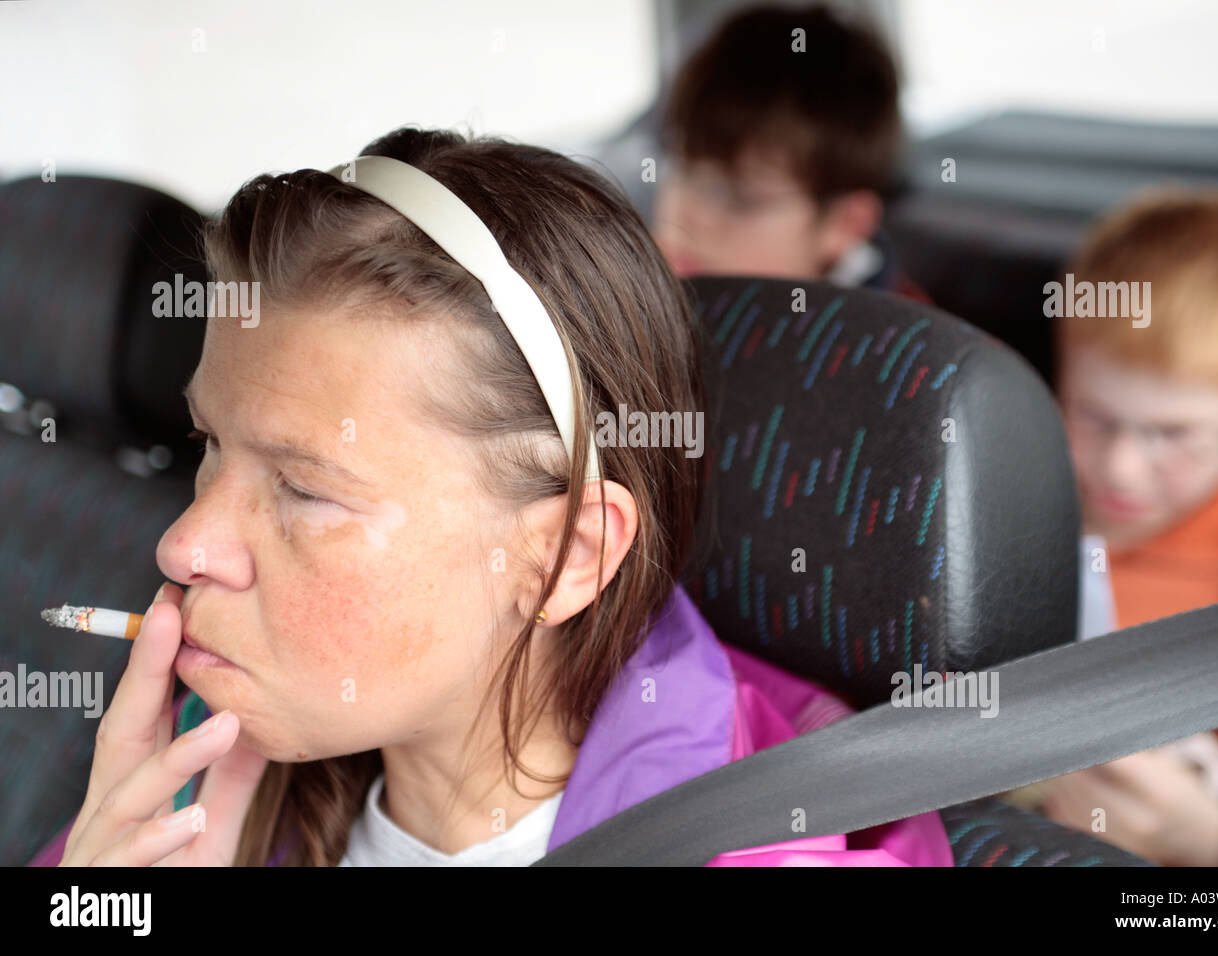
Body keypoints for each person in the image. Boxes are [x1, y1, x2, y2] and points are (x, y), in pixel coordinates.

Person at [28, 127, 952, 867]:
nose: (185, 545)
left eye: (304, 490)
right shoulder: (202, 770)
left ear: (568, 558)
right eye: (208, 447)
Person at [1031, 187, 1218, 865]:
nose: (1120, 469)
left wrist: (1215, 845)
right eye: (1092, 415)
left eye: (1173, 434)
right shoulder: (999, 511)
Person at [651, 3, 927, 299]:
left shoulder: (900, 341)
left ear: (846, 223)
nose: (687, 216)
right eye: (683, 171)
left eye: (740, 200)